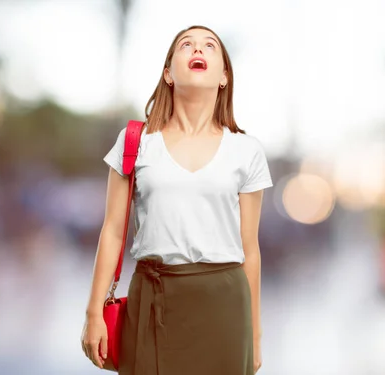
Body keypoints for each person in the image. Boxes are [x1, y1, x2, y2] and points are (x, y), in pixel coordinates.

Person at [80, 25, 273, 375]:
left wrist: (255, 335)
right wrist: (94, 312)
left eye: (209, 45)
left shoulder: (247, 151)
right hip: (152, 302)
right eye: (186, 44)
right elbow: (111, 231)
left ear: (224, 76)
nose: (197, 49)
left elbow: (250, 249)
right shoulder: (136, 142)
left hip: (224, 309)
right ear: (168, 73)